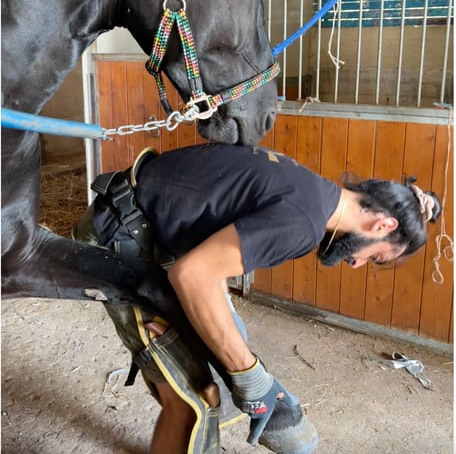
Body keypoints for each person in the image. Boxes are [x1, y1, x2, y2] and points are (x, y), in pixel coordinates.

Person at [73, 143, 441, 454]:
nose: (358, 263)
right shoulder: (303, 224)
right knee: (195, 398)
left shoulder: (311, 188)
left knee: (226, 339)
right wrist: (252, 379)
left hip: (146, 222)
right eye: (376, 256)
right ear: (383, 226)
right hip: (121, 235)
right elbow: (191, 275)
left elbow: (209, 248)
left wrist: (229, 334)